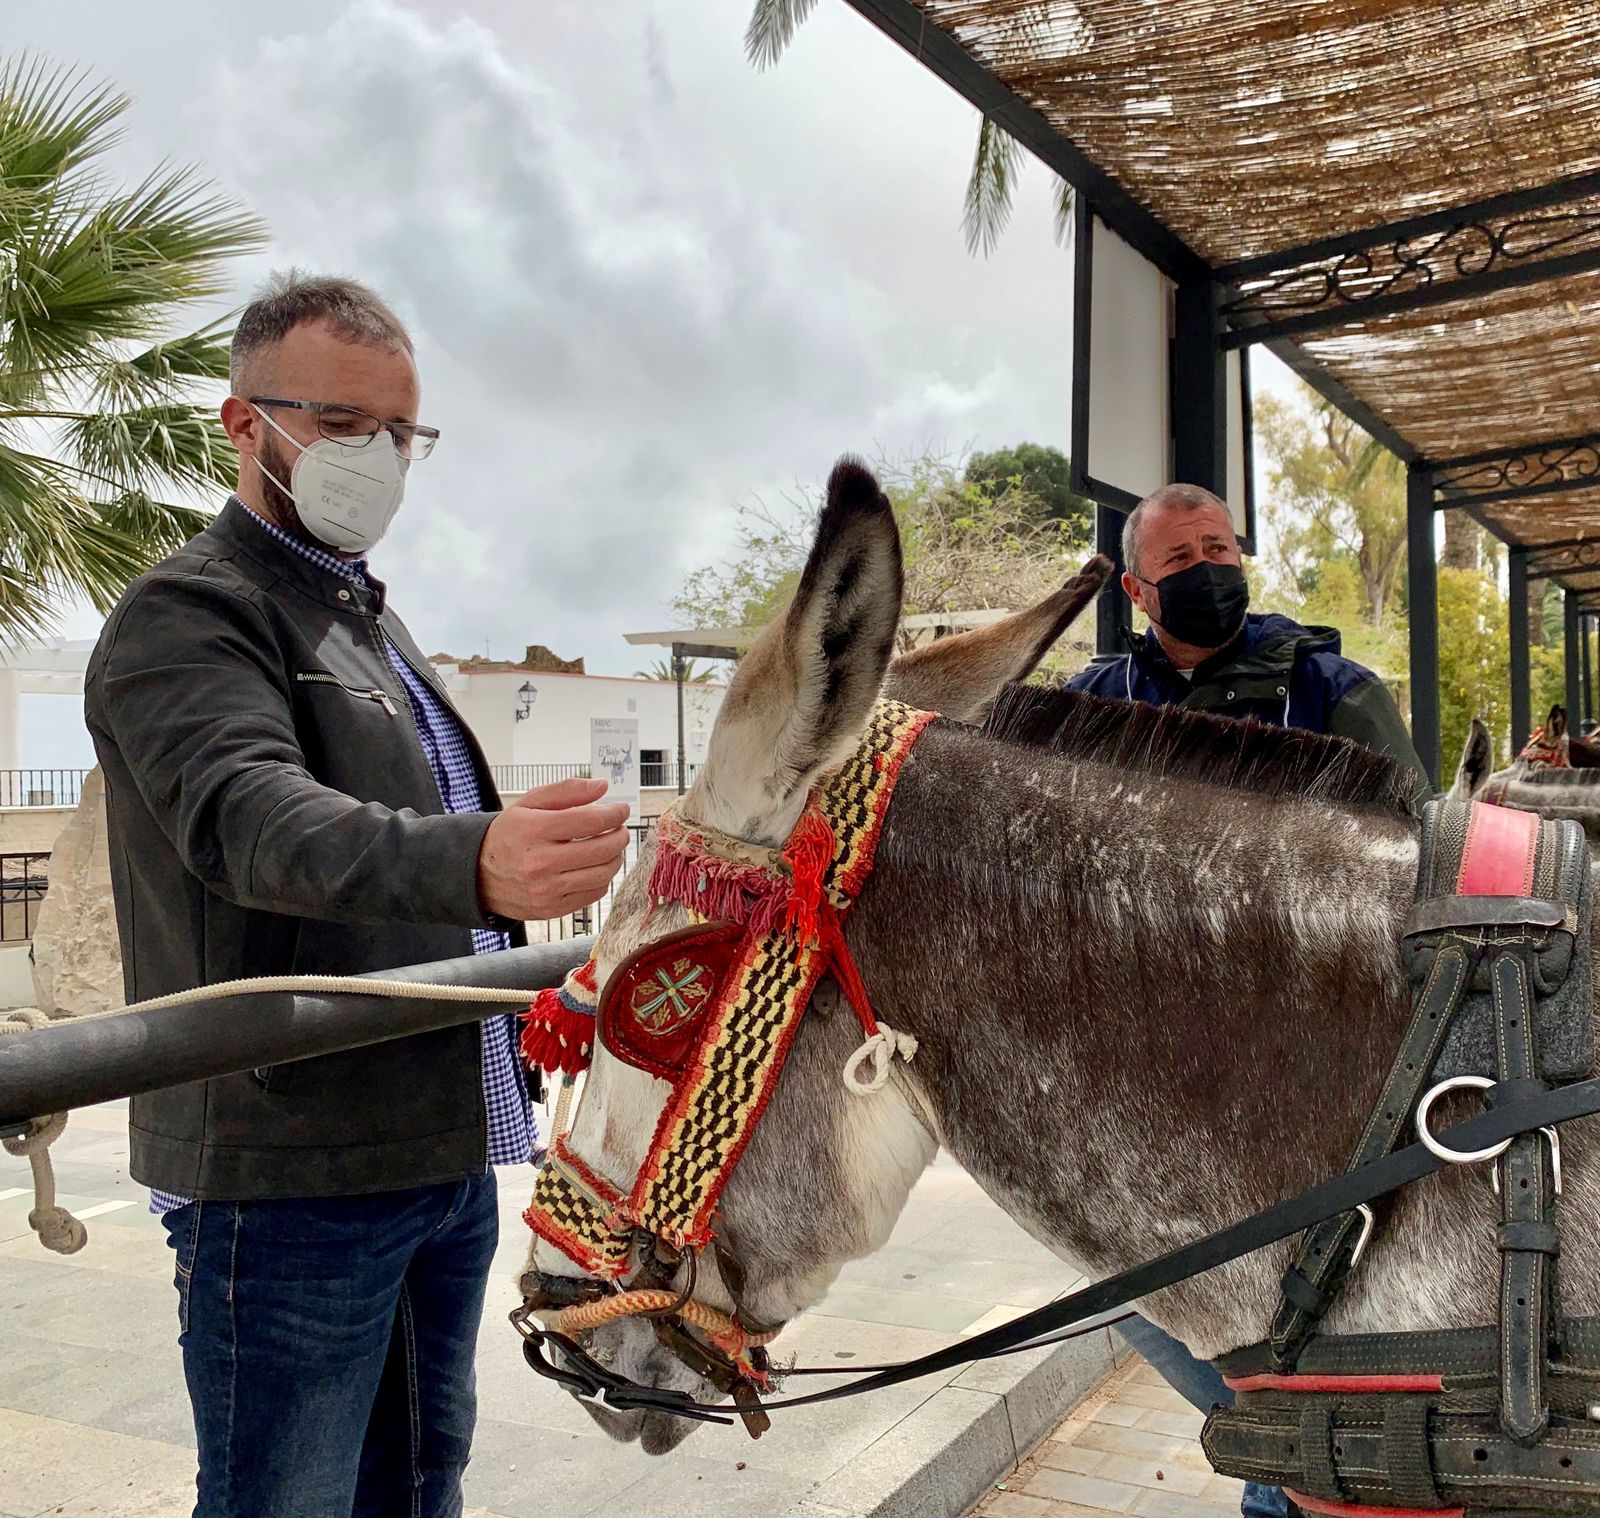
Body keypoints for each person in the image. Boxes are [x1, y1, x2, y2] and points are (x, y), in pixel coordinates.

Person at [84, 272, 631, 1518]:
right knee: (288, 1501)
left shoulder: (368, 624)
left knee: (420, 1484)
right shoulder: (192, 610)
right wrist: (474, 858)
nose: (375, 457)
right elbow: (249, 818)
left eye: (400, 433)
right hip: (290, 1173)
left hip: (437, 1155)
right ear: (243, 424)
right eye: (340, 424)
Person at [1066, 482, 1432, 1518]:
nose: (1205, 571)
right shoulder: (1088, 703)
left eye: (1217, 548)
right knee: (1135, 1294)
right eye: (1178, 561)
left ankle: (1292, 1480)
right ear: (1138, 590)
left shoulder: (1332, 686)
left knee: (1315, 1296)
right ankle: (1283, 1462)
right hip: (1147, 1070)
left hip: (1309, 1066)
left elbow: (1407, 855)